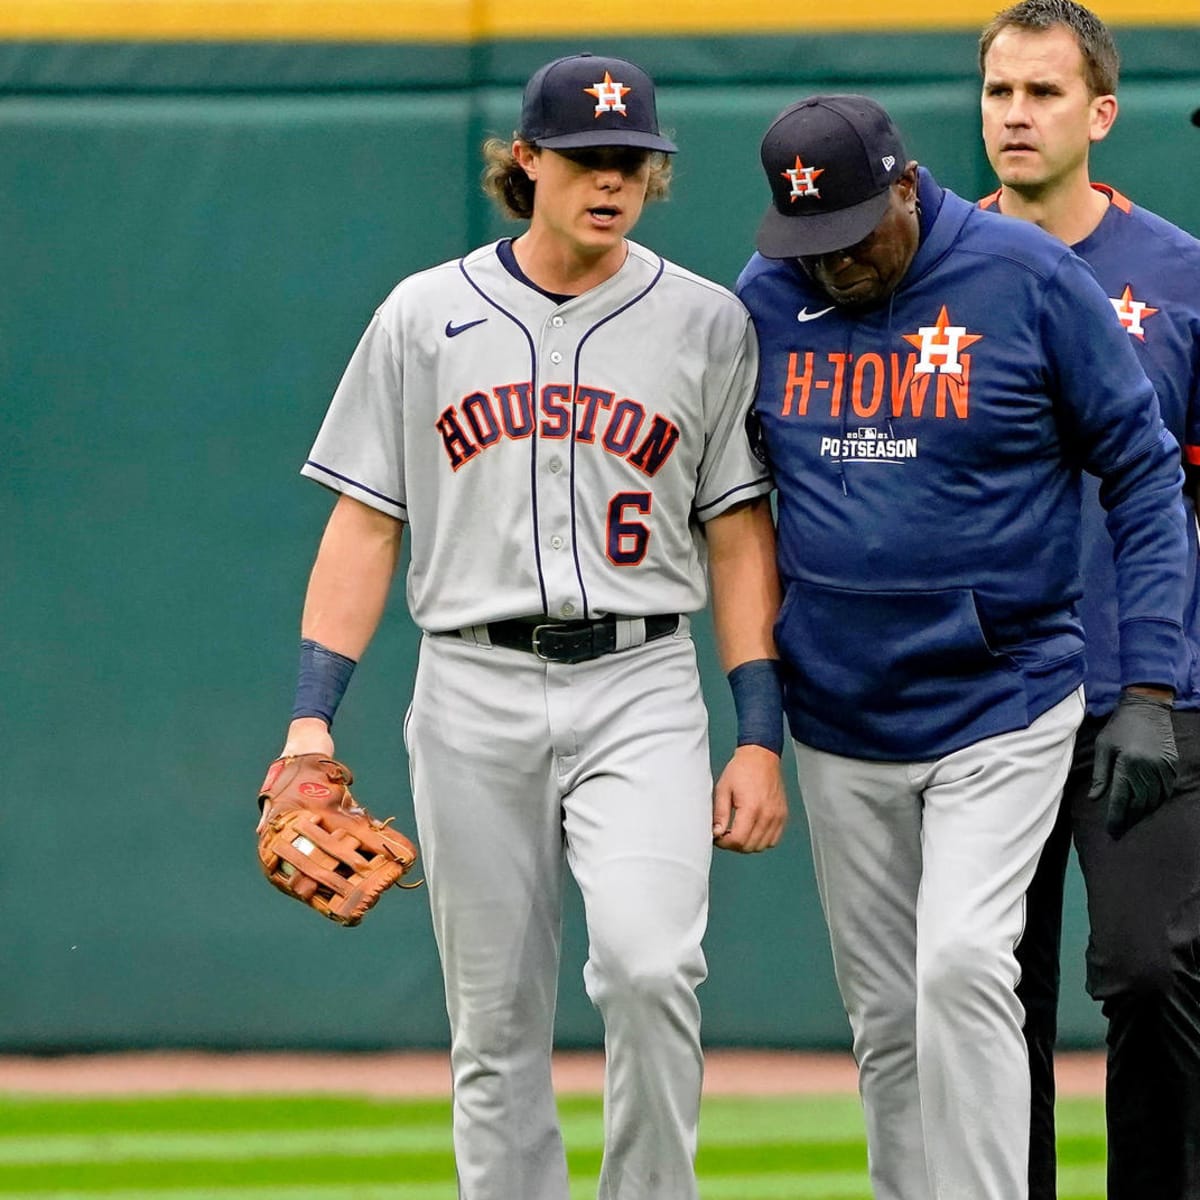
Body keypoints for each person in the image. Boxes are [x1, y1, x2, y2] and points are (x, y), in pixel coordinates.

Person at [264, 52, 788, 1200]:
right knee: (493, 1027)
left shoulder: (706, 321)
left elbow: (742, 534)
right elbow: (364, 526)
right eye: (588, 159)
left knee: (652, 971)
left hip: (641, 684)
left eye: (634, 162)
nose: (612, 181)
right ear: (528, 162)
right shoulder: (424, 314)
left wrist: (759, 730)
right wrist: (312, 722)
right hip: (470, 687)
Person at [735, 92, 1187, 1200]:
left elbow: (1142, 469)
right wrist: (757, 717)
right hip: (839, 710)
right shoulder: (768, 297)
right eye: (809, 243)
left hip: (1006, 694)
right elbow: (731, 506)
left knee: (965, 968)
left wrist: (1149, 683)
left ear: (904, 187)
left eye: (850, 236)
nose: (831, 264)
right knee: (888, 1019)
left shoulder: (1023, 277)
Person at [977, 4, 1200, 1196]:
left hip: (1149, 686)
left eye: (1044, 93)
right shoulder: (939, 267)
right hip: (987, 694)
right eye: (1000, 91)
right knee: (989, 985)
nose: (1016, 114)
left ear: (1100, 112)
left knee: (1154, 972)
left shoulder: (1178, 277)